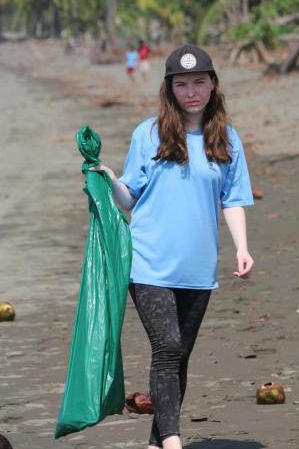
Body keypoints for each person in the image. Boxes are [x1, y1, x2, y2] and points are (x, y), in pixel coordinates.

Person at [91, 44, 254, 449]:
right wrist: (110, 179)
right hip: (148, 264)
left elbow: (232, 199)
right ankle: (173, 443)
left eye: (200, 81)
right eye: (182, 84)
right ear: (170, 89)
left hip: (198, 269)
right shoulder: (149, 134)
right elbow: (128, 198)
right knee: (167, 346)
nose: (192, 92)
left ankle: (155, 442)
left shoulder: (227, 139)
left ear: (213, 84)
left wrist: (242, 248)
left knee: (178, 358)